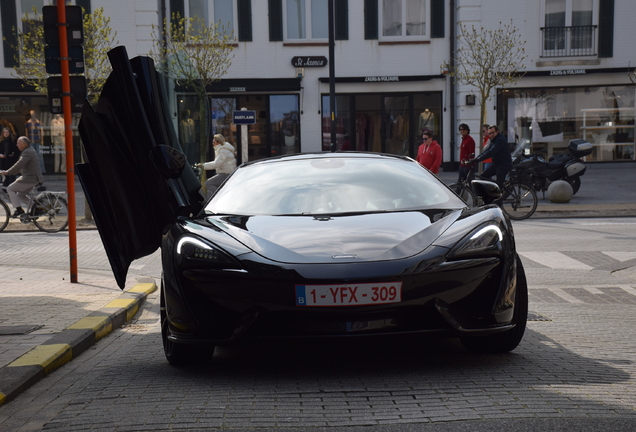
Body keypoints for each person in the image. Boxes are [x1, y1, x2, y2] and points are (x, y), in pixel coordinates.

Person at [0, 136, 44, 217]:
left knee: (10, 188)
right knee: (20, 195)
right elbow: (21, 167)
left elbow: (20, 164)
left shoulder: (27, 152)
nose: (17, 145)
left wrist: (7, 172)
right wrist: (9, 173)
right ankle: (36, 209)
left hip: (30, 178)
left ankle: (19, 210)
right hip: (31, 177)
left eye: (18, 143)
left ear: (24, 144)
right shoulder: (28, 150)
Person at [468, 125, 512, 189]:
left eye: (493, 133)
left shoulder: (500, 140)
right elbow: (487, 151)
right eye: (489, 133)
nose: (491, 135)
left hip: (504, 164)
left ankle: (498, 197)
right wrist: (476, 158)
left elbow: (491, 152)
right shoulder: (493, 140)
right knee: (483, 176)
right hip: (497, 164)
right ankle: (489, 192)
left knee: (499, 184)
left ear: (497, 132)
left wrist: (478, 160)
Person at [196, 134, 237, 198]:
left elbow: (216, 164)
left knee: (208, 183)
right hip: (226, 173)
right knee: (215, 185)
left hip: (226, 174)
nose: (212, 144)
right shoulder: (222, 149)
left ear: (219, 142)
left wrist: (203, 165)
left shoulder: (223, 151)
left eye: (213, 142)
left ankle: (220, 197)